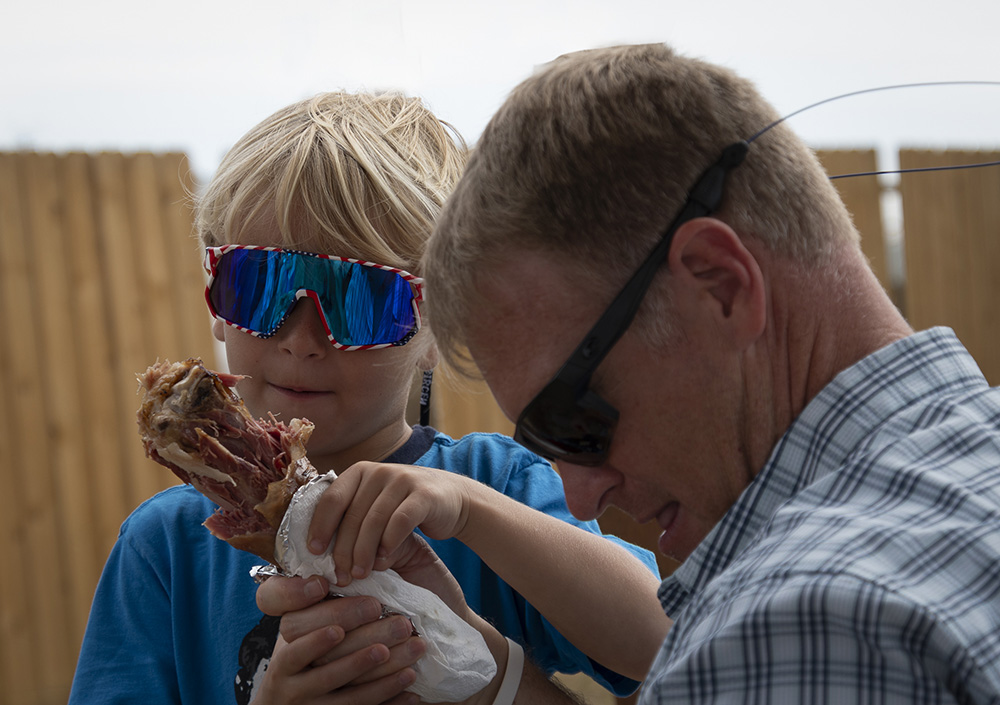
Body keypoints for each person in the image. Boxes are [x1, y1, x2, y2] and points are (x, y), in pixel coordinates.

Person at [285, 43, 1000, 703]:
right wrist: (473, 660)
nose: (583, 496)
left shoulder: (802, 622)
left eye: (574, 421)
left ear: (719, 284)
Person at [67, 91, 668, 705]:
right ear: (217, 301)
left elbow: (665, 638)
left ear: (438, 327)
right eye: (258, 283)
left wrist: (470, 511)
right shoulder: (165, 547)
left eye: (361, 300)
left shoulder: (495, 487)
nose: (301, 340)